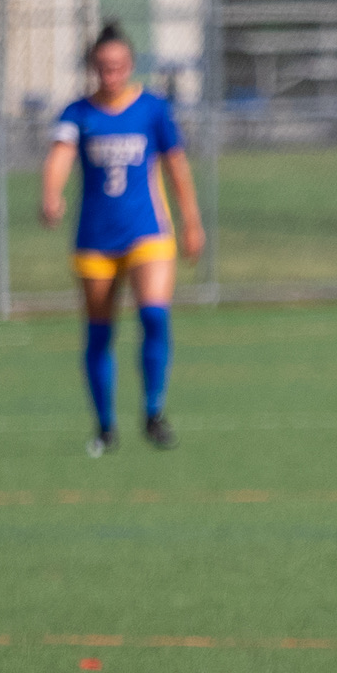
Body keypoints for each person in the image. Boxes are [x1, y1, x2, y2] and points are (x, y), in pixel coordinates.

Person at [41, 23, 205, 456]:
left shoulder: (152, 109)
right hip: (95, 238)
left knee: (154, 315)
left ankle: (153, 413)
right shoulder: (77, 112)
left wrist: (192, 221)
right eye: (102, 67)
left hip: (147, 232)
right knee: (100, 332)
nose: (110, 74)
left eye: (118, 67)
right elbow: (60, 155)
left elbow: (176, 165)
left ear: (130, 66)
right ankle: (105, 426)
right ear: (94, 68)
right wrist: (51, 195)